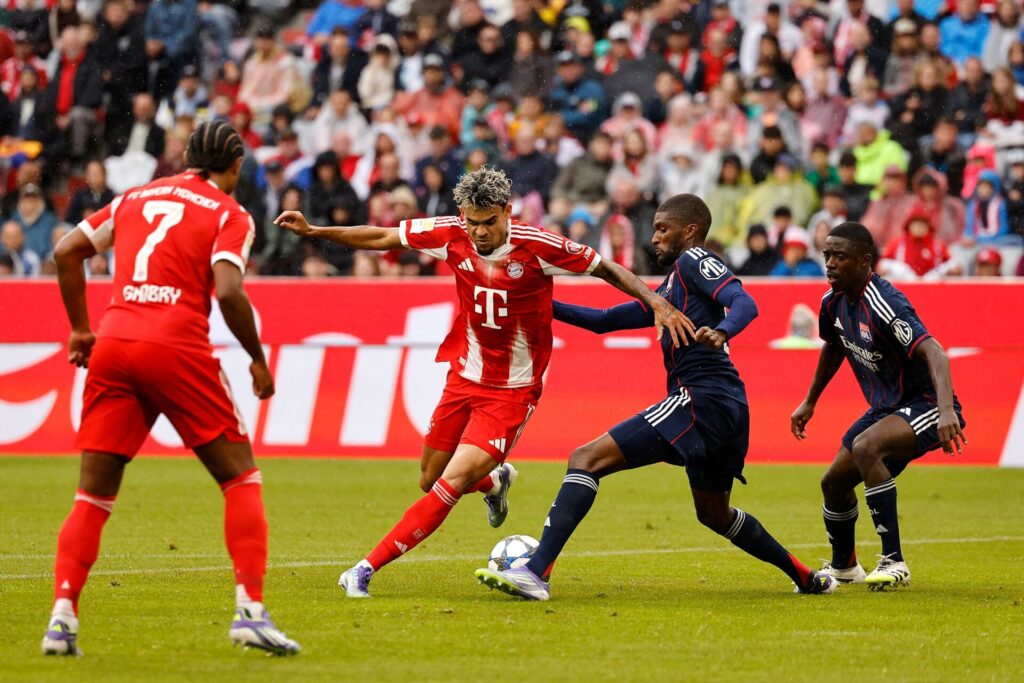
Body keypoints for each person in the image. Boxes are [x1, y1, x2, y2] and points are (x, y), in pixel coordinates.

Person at [274, 168, 689, 598]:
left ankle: (363, 570)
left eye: (489, 221)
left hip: (512, 392)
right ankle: (493, 482)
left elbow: (606, 268)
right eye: (473, 222)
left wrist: (655, 301)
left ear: (507, 212)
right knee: (429, 477)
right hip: (464, 377)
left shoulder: (538, 245)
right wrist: (315, 231)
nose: (480, 231)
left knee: (450, 483)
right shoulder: (450, 233)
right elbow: (382, 236)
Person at [473, 193, 839, 601]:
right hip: (727, 407)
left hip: (702, 398)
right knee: (714, 514)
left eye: (663, 229)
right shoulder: (671, 289)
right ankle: (806, 577)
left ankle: (536, 572)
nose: (655, 238)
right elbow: (604, 321)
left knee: (585, 458)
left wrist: (722, 332)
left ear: (690, 230)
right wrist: (536, 302)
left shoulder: (694, 260)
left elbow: (744, 301)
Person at [42, 121, 299, 656]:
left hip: (114, 344)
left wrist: (80, 330)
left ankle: (61, 620)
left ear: (188, 158)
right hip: (176, 346)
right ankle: (250, 612)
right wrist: (257, 358)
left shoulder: (134, 197)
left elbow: (66, 251)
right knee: (241, 479)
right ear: (234, 166)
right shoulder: (229, 213)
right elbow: (229, 291)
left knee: (92, 496)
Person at [791, 222, 966, 590]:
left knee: (867, 446)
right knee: (833, 483)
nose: (830, 263)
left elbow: (935, 351)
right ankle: (844, 566)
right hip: (886, 408)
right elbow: (834, 346)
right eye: (827, 255)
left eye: (840, 256)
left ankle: (894, 561)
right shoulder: (831, 302)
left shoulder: (884, 302)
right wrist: (810, 401)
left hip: (925, 403)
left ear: (864, 260)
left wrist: (947, 410)